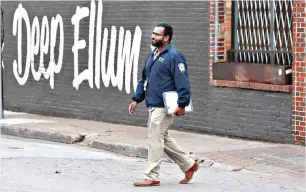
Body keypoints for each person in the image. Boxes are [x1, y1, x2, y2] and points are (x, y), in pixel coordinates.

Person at [129, 23, 199, 187]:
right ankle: (189, 164)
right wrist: (136, 99)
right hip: (152, 104)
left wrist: (182, 104)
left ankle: (152, 176)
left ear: (166, 38)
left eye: (157, 34)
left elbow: (183, 82)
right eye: (153, 34)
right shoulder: (152, 55)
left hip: (165, 105)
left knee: (155, 139)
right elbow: (144, 79)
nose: (153, 36)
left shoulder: (174, 56)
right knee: (161, 138)